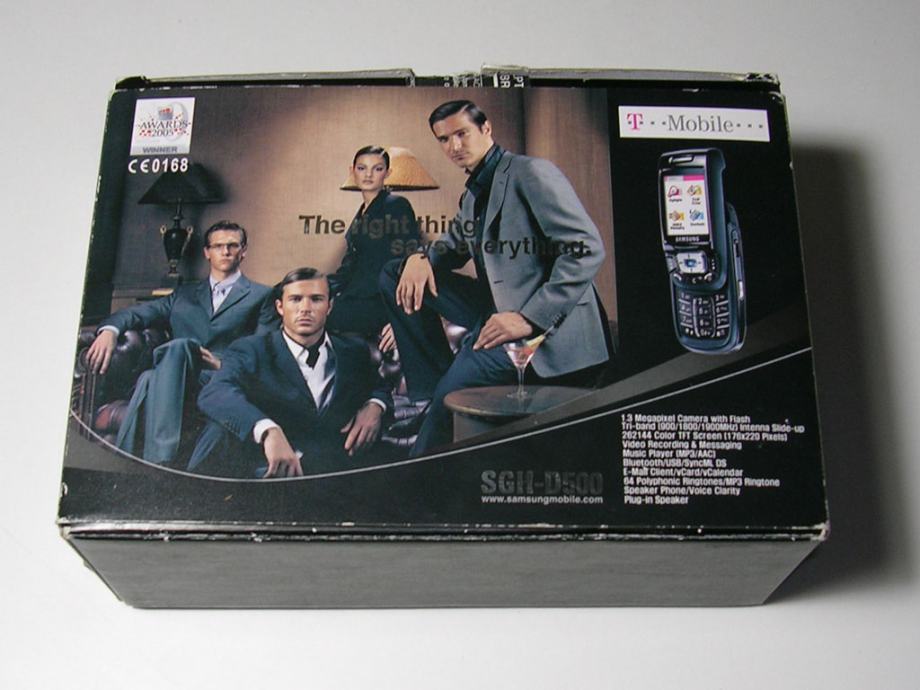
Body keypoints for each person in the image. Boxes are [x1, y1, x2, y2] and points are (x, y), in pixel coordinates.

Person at [379, 99, 611, 456]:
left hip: (543, 330)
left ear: (486, 128)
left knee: (447, 404)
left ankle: (413, 480)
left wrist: (528, 318)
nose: (454, 146)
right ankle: (434, 386)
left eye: (462, 133)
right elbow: (451, 247)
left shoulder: (531, 173)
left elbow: (586, 249)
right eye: (444, 139)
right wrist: (418, 258)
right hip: (491, 310)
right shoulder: (473, 194)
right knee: (393, 273)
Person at [85, 220, 278, 463]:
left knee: (152, 376)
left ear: (243, 251)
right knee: (172, 356)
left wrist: (222, 365)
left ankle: (143, 463)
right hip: (176, 377)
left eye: (232, 245)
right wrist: (110, 331)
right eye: (218, 246)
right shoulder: (183, 294)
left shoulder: (262, 296)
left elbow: (262, 349)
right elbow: (136, 314)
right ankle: (160, 459)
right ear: (207, 252)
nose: (226, 251)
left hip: (219, 378)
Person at [189, 267, 392, 478]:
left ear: (329, 306)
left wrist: (375, 406)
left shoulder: (352, 350)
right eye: (295, 299)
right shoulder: (251, 350)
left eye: (316, 299)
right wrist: (267, 430)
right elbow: (215, 392)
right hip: (266, 472)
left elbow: (379, 386)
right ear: (280, 307)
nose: (305, 309)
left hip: (332, 471)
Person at [327, 145, 420, 351]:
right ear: (352, 171)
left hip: (380, 302)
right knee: (288, 293)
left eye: (377, 169)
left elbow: (410, 262)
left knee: (311, 317)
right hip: (355, 296)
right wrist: (321, 288)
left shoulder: (396, 205)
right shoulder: (361, 213)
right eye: (362, 168)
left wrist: (401, 319)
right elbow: (350, 266)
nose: (368, 175)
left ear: (388, 173)